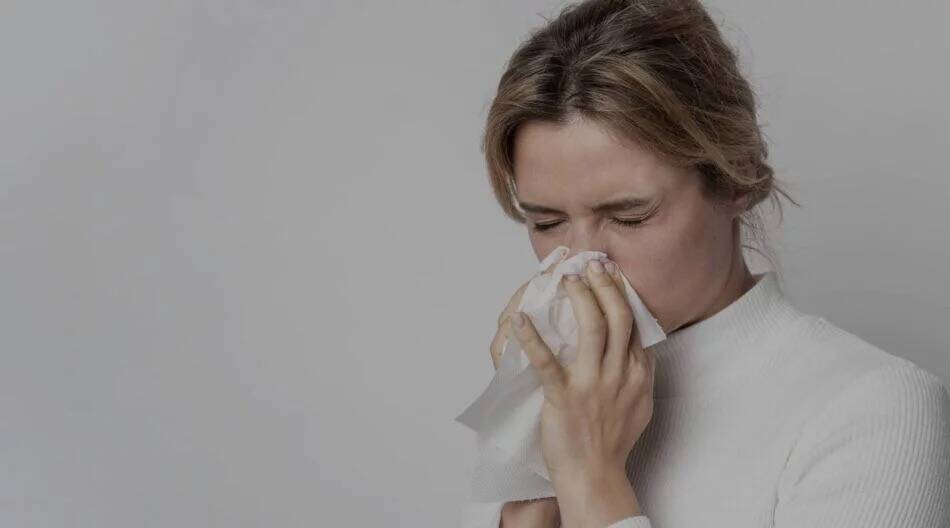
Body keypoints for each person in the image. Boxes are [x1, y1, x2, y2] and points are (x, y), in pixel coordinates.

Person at [459, 1, 950, 527]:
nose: (580, 264)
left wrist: (589, 478)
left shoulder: (874, 410)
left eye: (629, 216)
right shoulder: (556, 400)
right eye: (547, 222)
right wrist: (531, 451)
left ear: (735, 177)